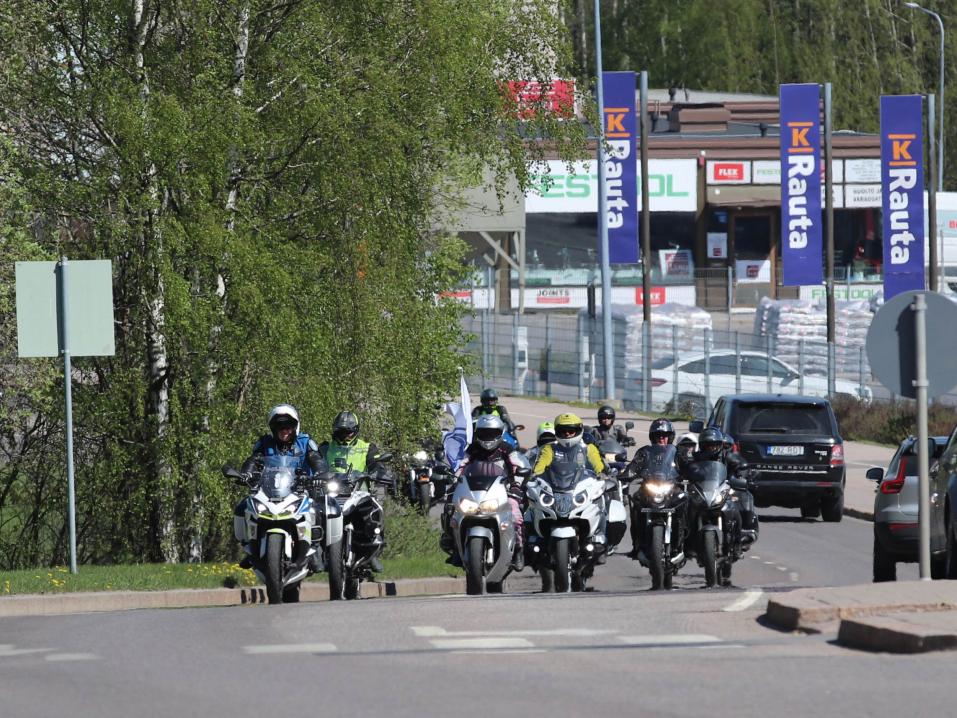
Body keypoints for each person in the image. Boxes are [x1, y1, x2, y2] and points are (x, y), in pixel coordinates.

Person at [237, 404, 326, 569]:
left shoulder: (306, 442)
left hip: (300, 489)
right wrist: (246, 473)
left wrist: (321, 473)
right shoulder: (264, 443)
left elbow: (316, 459)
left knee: (318, 509)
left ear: (295, 427)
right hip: (269, 490)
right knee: (243, 507)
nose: (284, 430)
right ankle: (250, 550)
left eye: (288, 426)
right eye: (280, 426)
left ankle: (314, 551)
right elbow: (253, 460)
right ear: (273, 428)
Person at [443, 414, 527, 570]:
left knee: (515, 514)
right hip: (474, 491)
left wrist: (516, 485)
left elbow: (517, 466)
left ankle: (518, 551)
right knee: (451, 509)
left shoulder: (506, 449)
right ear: (478, 433)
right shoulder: (472, 449)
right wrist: (453, 482)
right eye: (484, 433)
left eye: (492, 433)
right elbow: (461, 466)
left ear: (500, 432)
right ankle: (454, 545)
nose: (488, 437)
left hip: (503, 492)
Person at [317, 410, 390, 572]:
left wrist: (379, 473)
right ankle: (316, 552)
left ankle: (373, 553)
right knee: (313, 514)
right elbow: (314, 464)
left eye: (348, 432)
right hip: (331, 493)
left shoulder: (367, 447)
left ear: (356, 431)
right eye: (341, 432)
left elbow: (377, 465)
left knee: (375, 510)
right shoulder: (324, 448)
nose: (345, 435)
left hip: (359, 493)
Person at [685, 427, 758, 547]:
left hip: (723, 490)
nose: (711, 448)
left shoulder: (727, 457)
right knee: (685, 505)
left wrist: (742, 476)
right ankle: (686, 537)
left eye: (714, 445)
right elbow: (685, 468)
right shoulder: (696, 458)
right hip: (703, 491)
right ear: (702, 446)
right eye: (708, 445)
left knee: (738, 504)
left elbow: (741, 466)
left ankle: (739, 535)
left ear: (720, 445)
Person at [621, 418, 676, 558]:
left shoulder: (676, 453)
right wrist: (626, 474)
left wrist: (692, 474)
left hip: (671, 487)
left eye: (664, 435)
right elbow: (633, 466)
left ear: (670, 437)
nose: (661, 438)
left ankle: (685, 543)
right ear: (653, 437)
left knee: (685, 503)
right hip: (649, 488)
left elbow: (688, 466)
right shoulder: (645, 452)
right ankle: (637, 545)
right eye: (658, 435)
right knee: (636, 507)